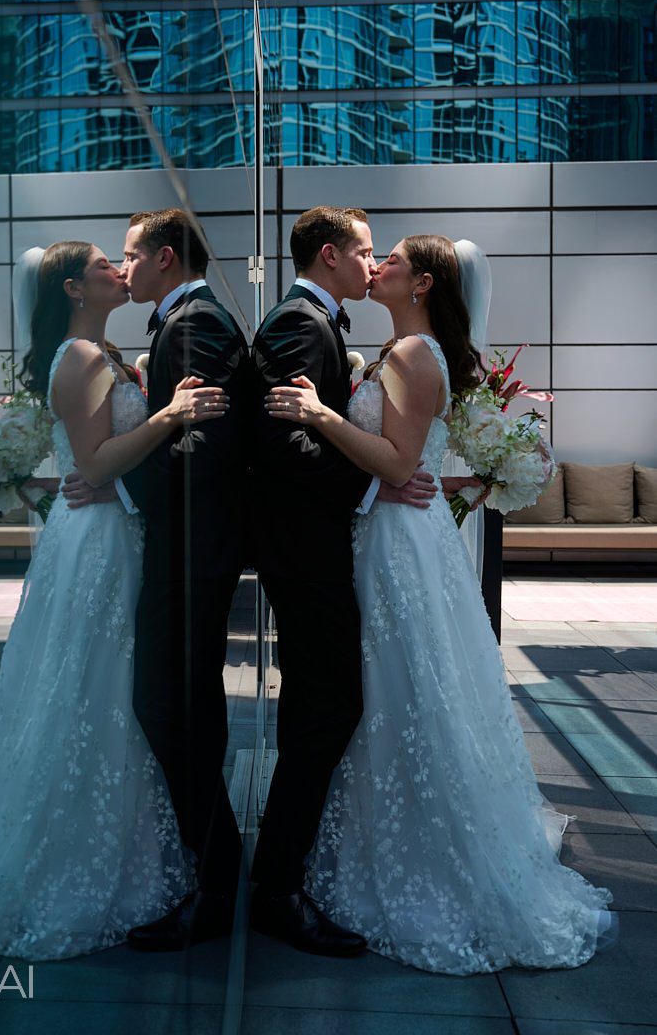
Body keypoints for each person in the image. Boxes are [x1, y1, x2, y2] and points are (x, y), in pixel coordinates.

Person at [267, 234, 615, 974]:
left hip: (396, 542)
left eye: (389, 259)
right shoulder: (399, 352)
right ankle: (368, 837)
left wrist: (316, 414)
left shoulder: (411, 356)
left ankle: (417, 852)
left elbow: (397, 462)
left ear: (420, 283)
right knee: (389, 690)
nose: (377, 265)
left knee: (402, 689)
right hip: (387, 532)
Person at [0, 241, 227, 961]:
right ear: (75, 288)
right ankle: (77, 860)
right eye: (107, 264)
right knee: (92, 688)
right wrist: (170, 414)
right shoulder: (78, 358)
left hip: (120, 532)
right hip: (98, 544)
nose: (121, 268)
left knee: (117, 691)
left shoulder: (103, 352)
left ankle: (133, 845)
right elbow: (94, 463)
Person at [247, 206, 438, 958]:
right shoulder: (300, 321)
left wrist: (373, 477)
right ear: (330, 256)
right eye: (364, 252)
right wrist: (371, 486)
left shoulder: (325, 322)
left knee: (322, 713)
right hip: (305, 552)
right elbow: (281, 444)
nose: (370, 264)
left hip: (325, 547)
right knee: (323, 714)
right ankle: (279, 890)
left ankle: (283, 872)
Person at [114, 209, 251, 952]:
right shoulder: (186, 319)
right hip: (186, 547)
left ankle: (213, 880)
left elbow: (203, 448)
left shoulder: (195, 323)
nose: (122, 267)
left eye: (130, 256)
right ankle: (213, 864)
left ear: (165, 258)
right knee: (178, 706)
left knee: (172, 710)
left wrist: (117, 482)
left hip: (190, 551)